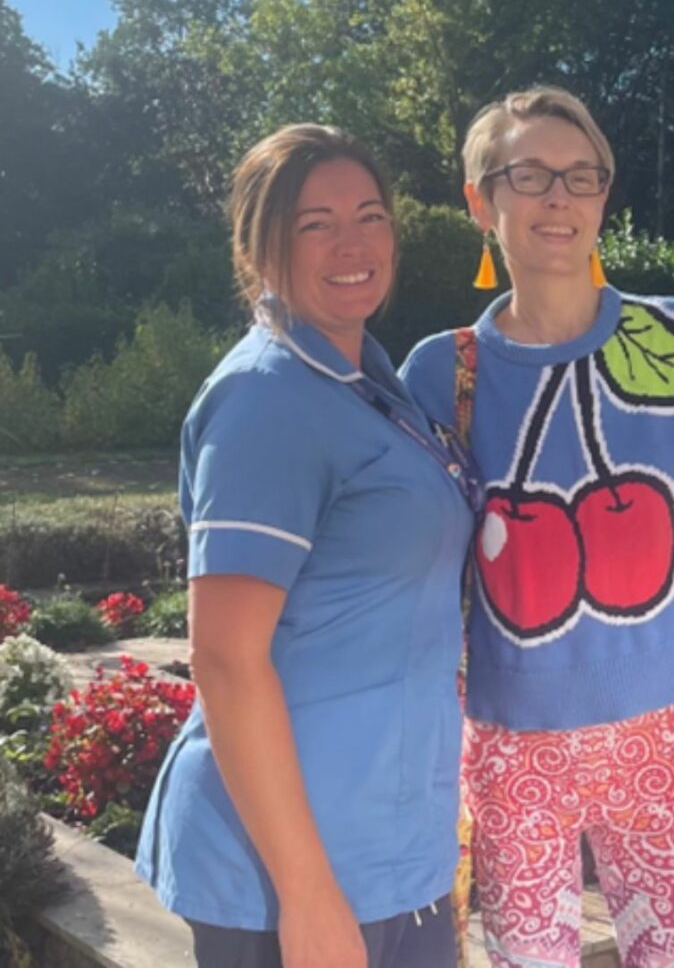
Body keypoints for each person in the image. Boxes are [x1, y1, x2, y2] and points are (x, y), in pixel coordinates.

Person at [401, 87, 674, 968]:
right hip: (508, 747)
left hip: (660, 738)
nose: (558, 198)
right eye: (528, 175)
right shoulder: (441, 373)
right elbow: (406, 577)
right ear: (479, 200)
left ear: (605, 197)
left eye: (581, 177)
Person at [137, 125, 479, 967]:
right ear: (262, 247)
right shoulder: (266, 402)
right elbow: (224, 658)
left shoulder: (371, 384)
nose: (353, 243)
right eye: (315, 224)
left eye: (370, 215)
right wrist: (308, 892)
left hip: (392, 855)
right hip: (290, 875)